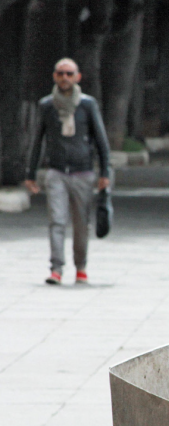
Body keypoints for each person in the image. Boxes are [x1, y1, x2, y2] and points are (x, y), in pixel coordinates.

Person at [24, 58, 111, 286]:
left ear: (77, 77)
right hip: (56, 172)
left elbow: (101, 141)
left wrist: (105, 173)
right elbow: (38, 140)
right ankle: (56, 269)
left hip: (83, 173)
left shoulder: (87, 105)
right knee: (57, 221)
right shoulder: (47, 105)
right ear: (54, 76)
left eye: (69, 74)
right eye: (61, 73)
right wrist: (30, 173)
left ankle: (81, 267)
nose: (65, 78)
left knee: (82, 223)